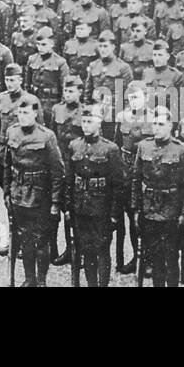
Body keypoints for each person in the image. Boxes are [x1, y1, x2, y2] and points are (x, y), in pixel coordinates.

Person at [131, 105, 184, 287]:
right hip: (149, 209)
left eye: (161, 124)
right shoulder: (144, 146)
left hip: (171, 211)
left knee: (171, 256)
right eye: (154, 123)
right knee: (155, 256)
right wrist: (136, 209)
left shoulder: (182, 150)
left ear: (170, 126)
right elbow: (136, 179)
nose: (157, 127)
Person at [4, 95, 65, 287]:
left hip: (40, 197)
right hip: (18, 195)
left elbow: (57, 171)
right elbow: (7, 165)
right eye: (20, 113)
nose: (22, 116)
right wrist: (6, 192)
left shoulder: (47, 136)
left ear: (36, 114)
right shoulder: (12, 132)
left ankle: (41, 281)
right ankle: (29, 279)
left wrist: (55, 202)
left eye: (26, 113)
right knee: (25, 240)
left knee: (41, 241)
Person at [65, 104, 124, 287]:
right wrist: (67, 207)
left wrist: (114, 214)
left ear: (99, 123)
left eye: (90, 121)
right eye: (83, 121)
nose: (86, 125)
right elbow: (69, 179)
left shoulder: (110, 149)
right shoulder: (74, 146)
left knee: (102, 249)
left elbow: (118, 185)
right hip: (80, 207)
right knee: (86, 249)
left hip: (101, 209)